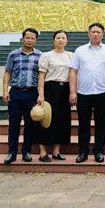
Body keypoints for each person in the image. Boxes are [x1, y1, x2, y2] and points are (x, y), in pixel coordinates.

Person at [69, 22, 105, 163]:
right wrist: (72, 92)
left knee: (101, 124)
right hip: (83, 92)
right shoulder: (80, 50)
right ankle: (83, 152)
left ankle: (98, 152)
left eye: (98, 32)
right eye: (93, 31)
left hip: (103, 92)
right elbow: (73, 71)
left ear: (102, 34)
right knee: (83, 124)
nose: (96, 34)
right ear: (88, 34)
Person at [2, 28, 41, 164]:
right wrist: (5, 91)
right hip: (15, 92)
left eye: (33, 38)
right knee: (14, 124)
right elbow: (7, 72)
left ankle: (26, 152)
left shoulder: (40, 56)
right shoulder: (13, 54)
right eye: (27, 37)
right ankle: (12, 152)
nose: (30, 40)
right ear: (22, 38)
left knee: (30, 123)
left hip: (32, 92)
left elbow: (42, 76)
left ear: (36, 40)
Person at [34, 29, 73, 162]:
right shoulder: (47, 56)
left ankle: (56, 151)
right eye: (58, 38)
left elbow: (74, 74)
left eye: (63, 38)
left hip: (65, 90)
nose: (61, 40)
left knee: (62, 120)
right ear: (53, 40)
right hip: (50, 89)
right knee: (45, 120)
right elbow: (41, 76)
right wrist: (41, 94)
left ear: (67, 40)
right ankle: (43, 152)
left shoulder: (71, 56)